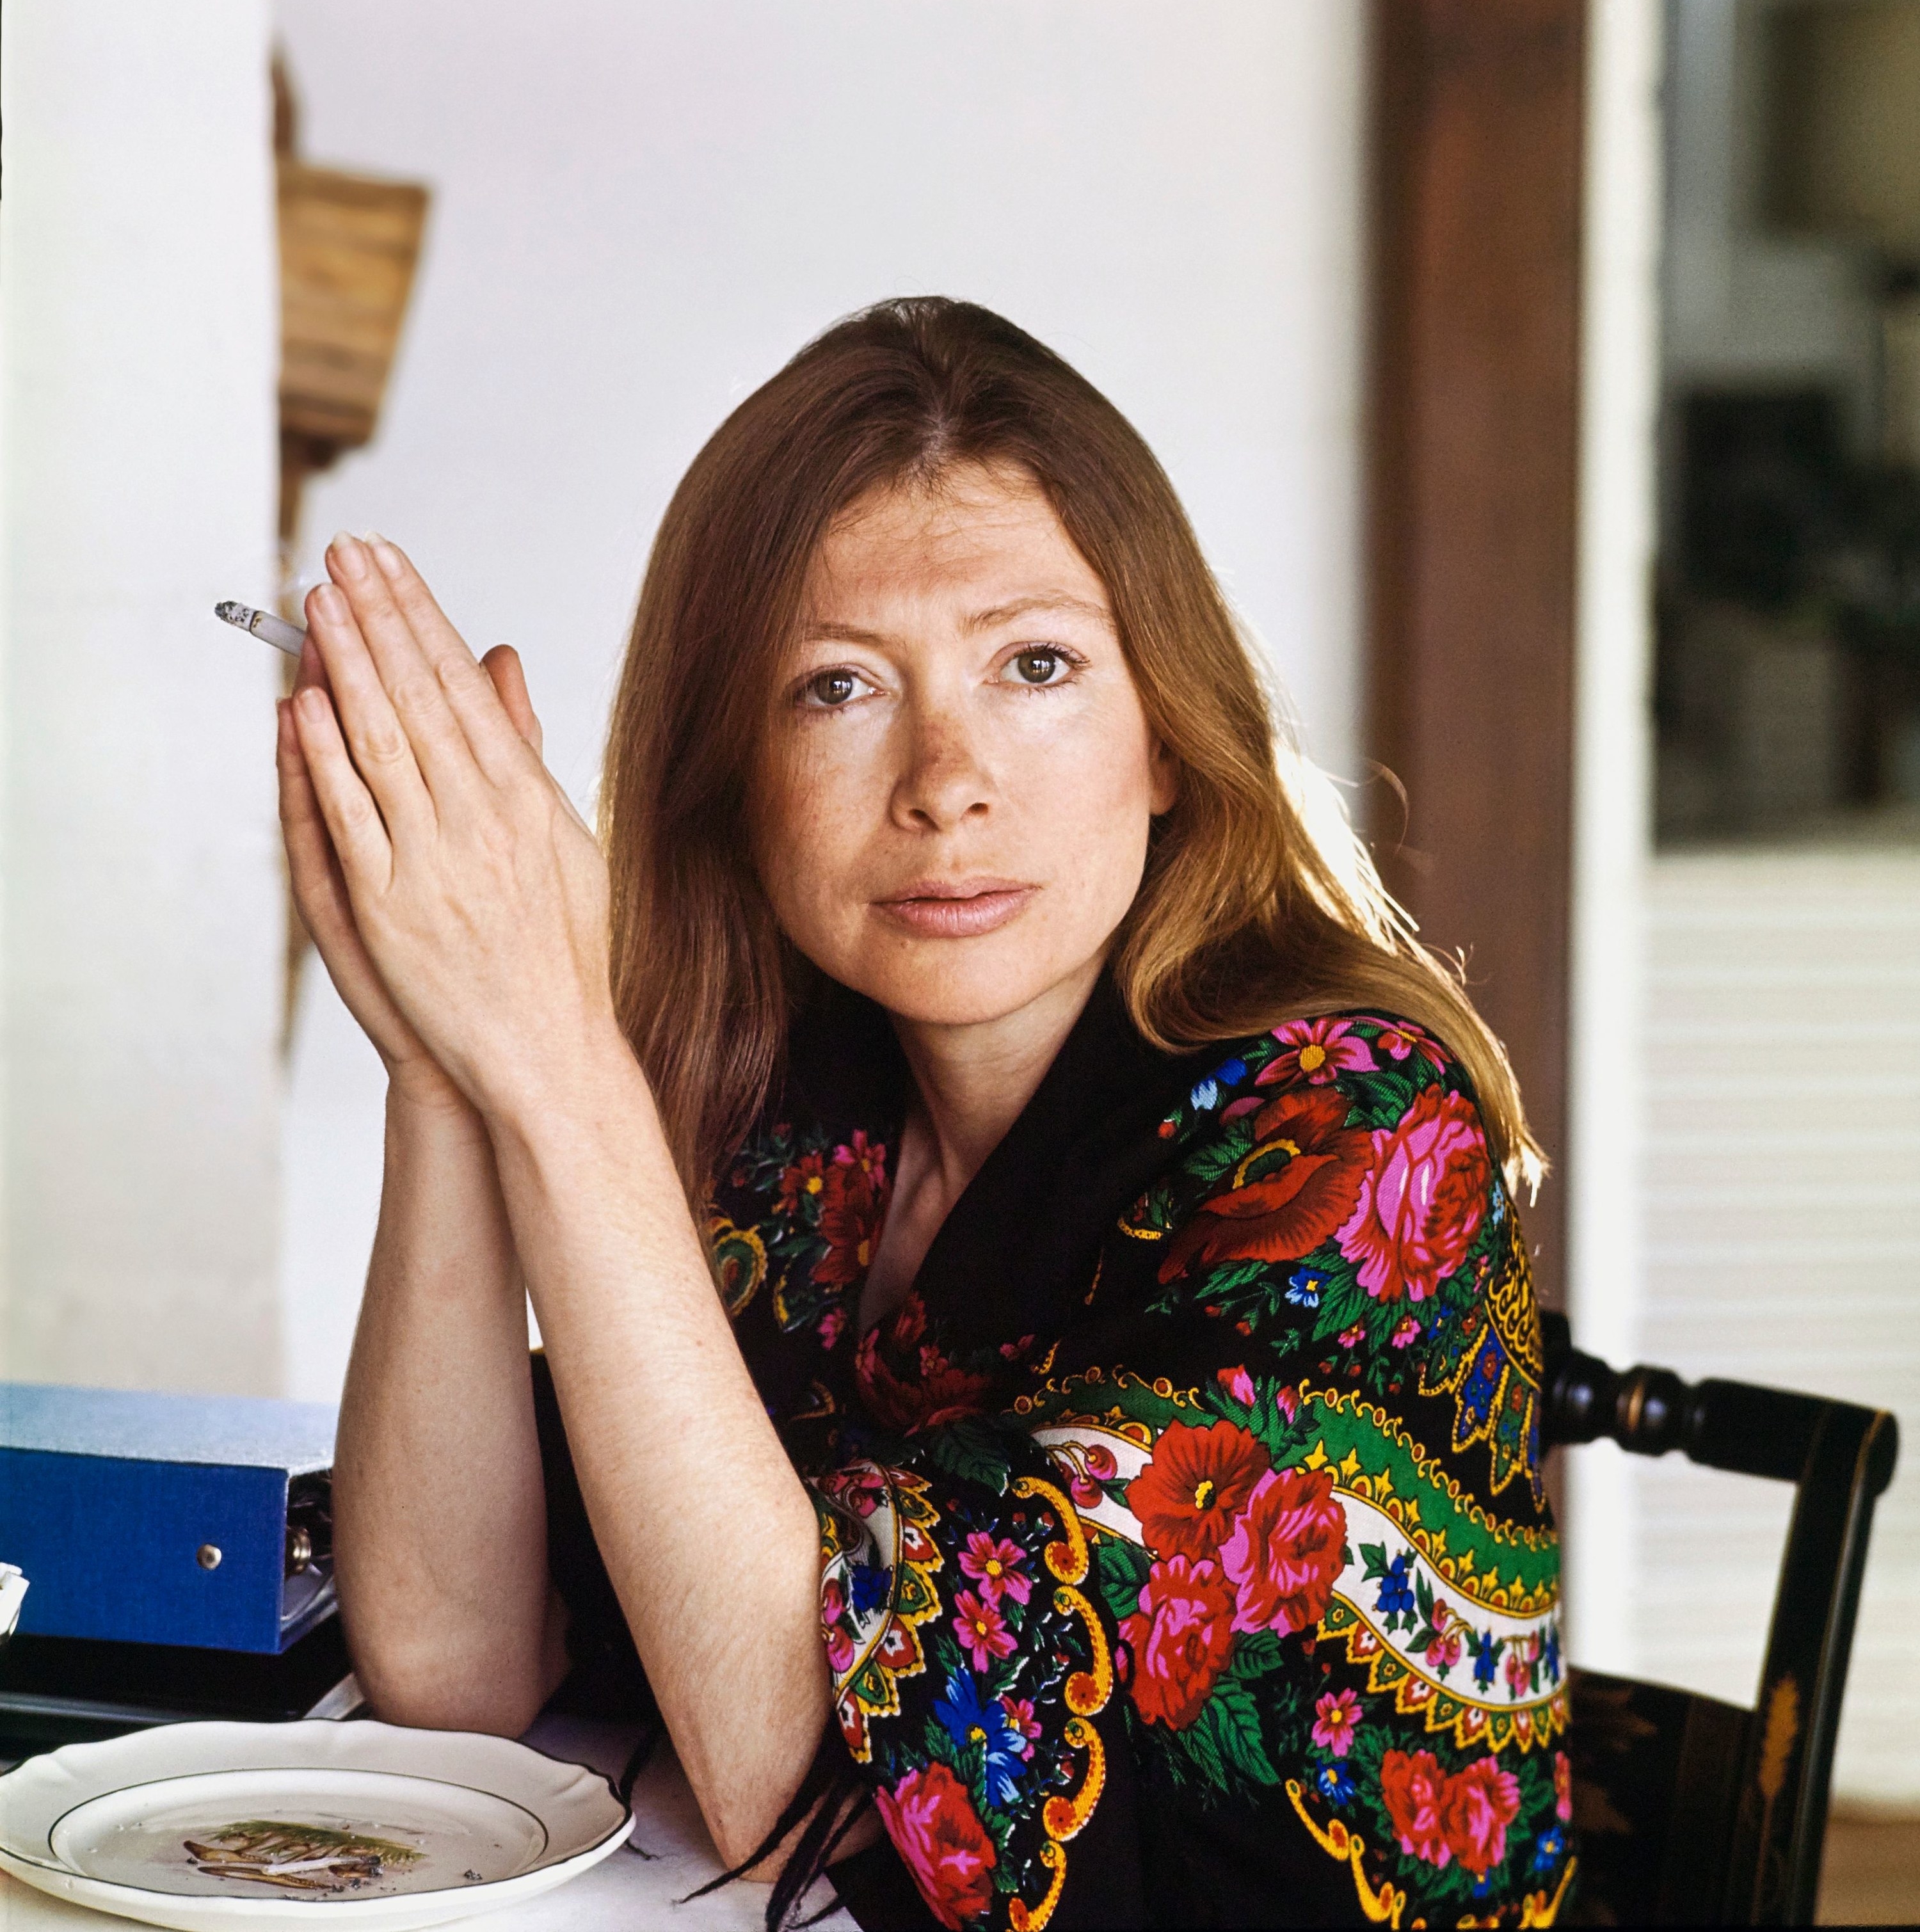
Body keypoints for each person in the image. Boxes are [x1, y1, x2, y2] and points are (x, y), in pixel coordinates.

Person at [280, 298, 1576, 1931]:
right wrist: (446, 1058)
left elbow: (803, 1777)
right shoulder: (805, 1109)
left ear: (1167, 732)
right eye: (838, 687)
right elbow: (457, 1651)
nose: (946, 779)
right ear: (733, 775)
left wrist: (551, 1048)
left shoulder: (1363, 1137)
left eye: (1035, 664)